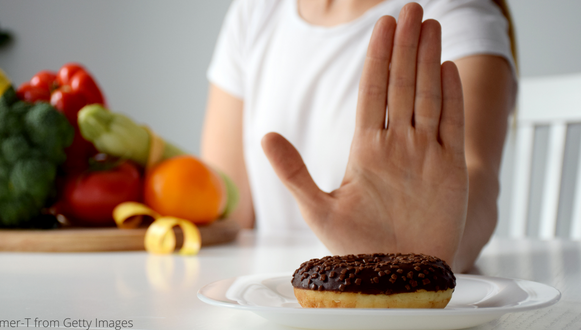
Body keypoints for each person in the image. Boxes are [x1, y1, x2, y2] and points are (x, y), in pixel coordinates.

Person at [201, 0, 517, 273]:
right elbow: (222, 207)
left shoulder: (456, 15)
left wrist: (425, 257)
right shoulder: (256, 11)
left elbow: (478, 180)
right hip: (278, 302)